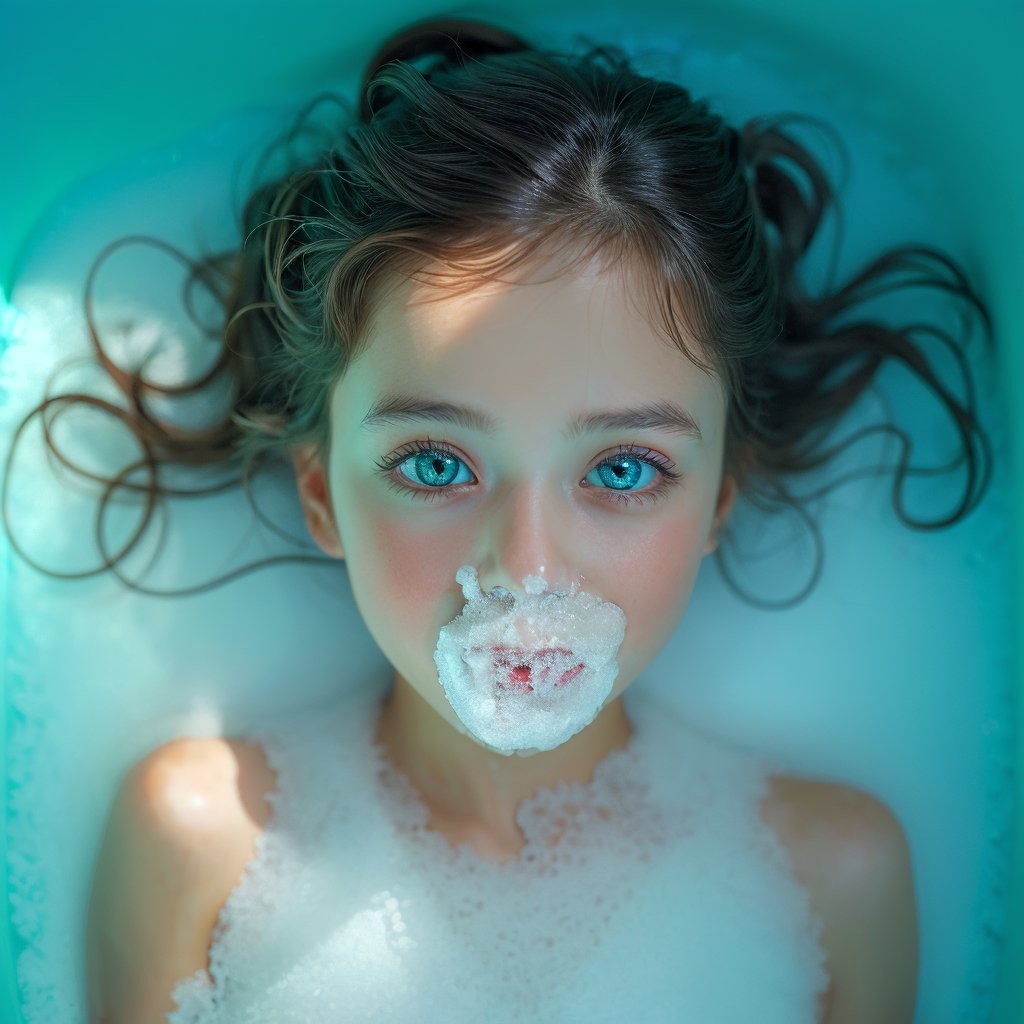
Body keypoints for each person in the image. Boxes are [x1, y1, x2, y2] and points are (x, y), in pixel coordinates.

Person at [4, 13, 994, 1024]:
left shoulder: (836, 877)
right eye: (436, 463)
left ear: (716, 502)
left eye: (621, 467)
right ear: (319, 495)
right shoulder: (198, 841)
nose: (526, 567)